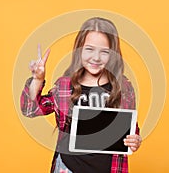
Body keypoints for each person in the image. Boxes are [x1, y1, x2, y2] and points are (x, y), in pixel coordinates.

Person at [20, 17, 142, 173]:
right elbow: (30, 109)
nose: (96, 57)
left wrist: (135, 140)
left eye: (104, 51)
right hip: (68, 168)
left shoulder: (123, 88)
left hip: (109, 169)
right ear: (79, 49)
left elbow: (131, 129)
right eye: (89, 49)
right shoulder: (65, 86)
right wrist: (37, 80)